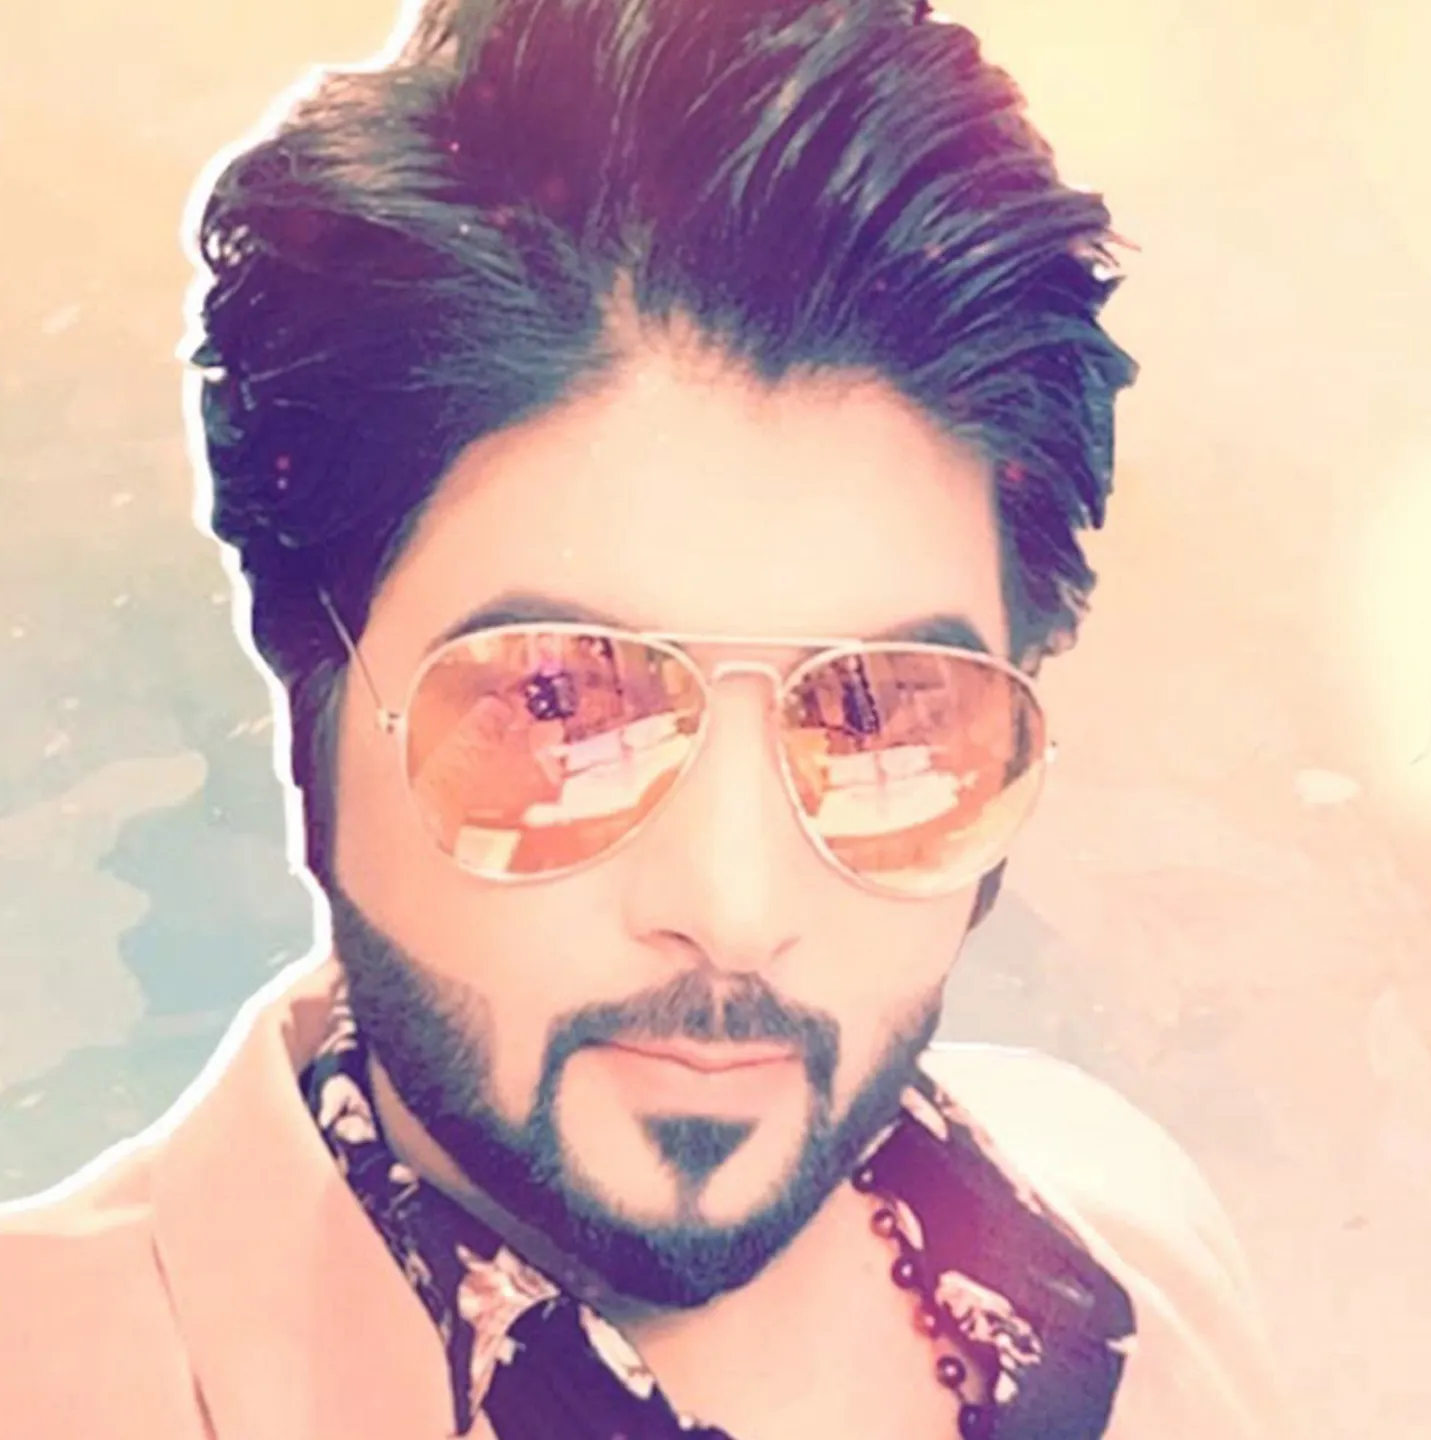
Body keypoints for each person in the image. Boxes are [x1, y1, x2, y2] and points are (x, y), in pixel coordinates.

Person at [0, 1, 1294, 1436]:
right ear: (312, 673)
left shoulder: (1129, 1231)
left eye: (878, 720)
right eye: (559, 703)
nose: (736, 913)